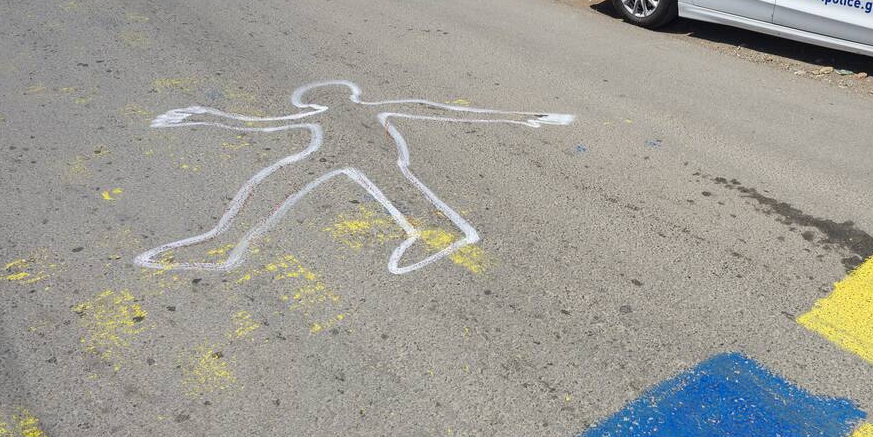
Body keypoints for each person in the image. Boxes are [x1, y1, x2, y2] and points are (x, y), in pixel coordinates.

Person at [135, 80, 573, 274]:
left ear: (321, 101)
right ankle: (220, 242)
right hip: (335, 157)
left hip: (349, 158)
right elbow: (437, 112)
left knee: (271, 190)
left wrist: (208, 116)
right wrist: (522, 117)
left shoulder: (347, 111)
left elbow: (258, 124)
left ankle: (222, 243)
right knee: (274, 189)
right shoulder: (362, 110)